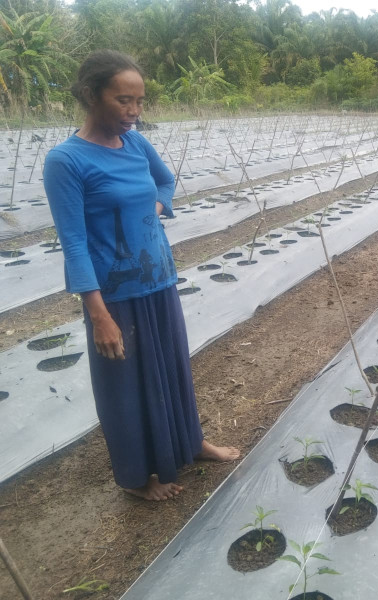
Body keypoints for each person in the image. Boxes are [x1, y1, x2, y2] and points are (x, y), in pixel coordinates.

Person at [43, 50, 240, 500]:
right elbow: (73, 243)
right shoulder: (66, 161)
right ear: (92, 96)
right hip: (115, 294)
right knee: (125, 387)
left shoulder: (135, 143)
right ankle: (136, 479)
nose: (133, 112)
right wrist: (98, 315)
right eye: (123, 101)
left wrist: (151, 211)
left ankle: (191, 443)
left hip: (159, 279)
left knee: (173, 369)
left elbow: (165, 183)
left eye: (140, 101)